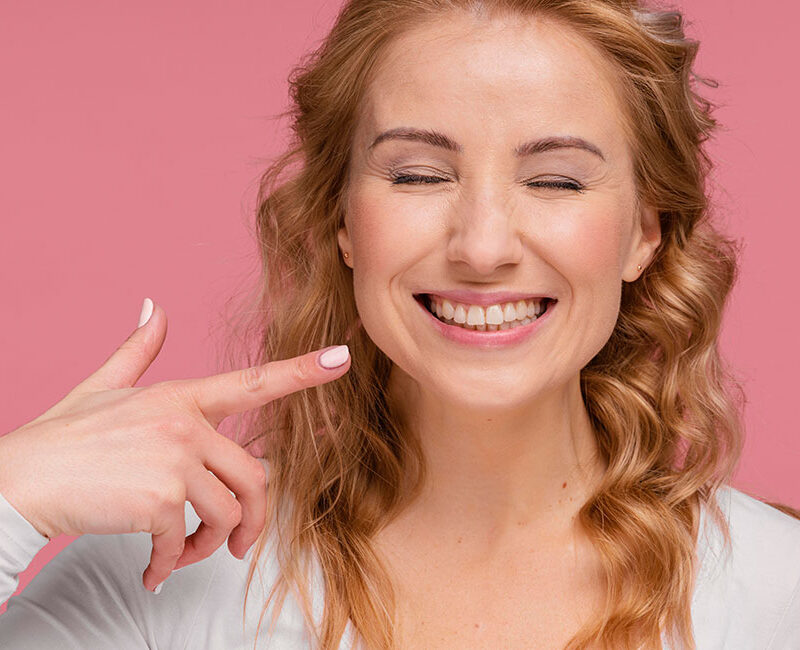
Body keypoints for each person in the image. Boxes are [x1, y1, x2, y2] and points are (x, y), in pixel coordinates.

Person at [1, 0, 799, 648]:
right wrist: (10, 493)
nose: (482, 247)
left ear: (644, 232)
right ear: (343, 218)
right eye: (418, 174)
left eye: (555, 180)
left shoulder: (777, 593)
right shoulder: (161, 576)